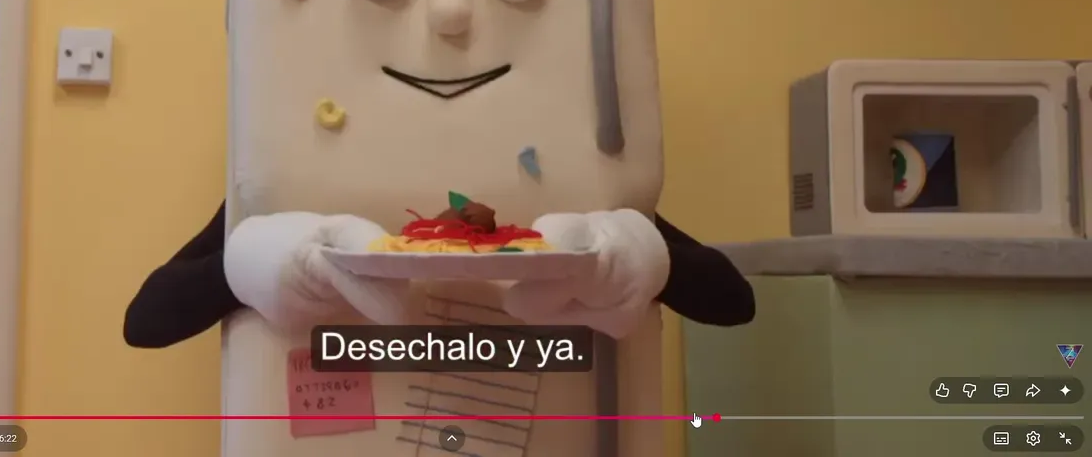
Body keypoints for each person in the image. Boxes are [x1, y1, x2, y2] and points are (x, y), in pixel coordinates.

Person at [124, 202, 756, 348]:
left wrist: (636, 256)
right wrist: (248, 264)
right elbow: (145, 321)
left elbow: (734, 301)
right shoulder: (279, 171)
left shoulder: (584, 162)